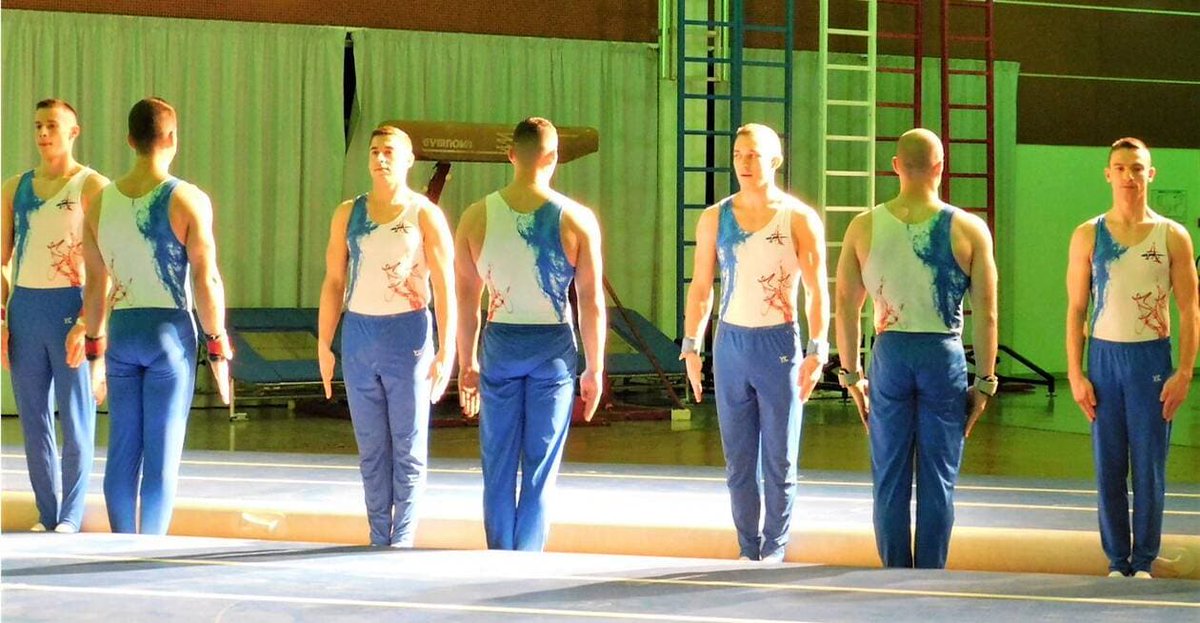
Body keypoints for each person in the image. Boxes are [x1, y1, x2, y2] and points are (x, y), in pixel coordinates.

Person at [834, 128, 998, 569]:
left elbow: (845, 309)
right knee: (937, 478)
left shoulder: (863, 226)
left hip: (890, 351)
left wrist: (852, 377)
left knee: (889, 476)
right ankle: (930, 573)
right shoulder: (968, 229)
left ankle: (894, 574)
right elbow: (986, 315)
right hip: (942, 352)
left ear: (895, 167)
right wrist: (985, 382)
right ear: (941, 167)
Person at [75, 97, 231, 534]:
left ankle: (122, 542)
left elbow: (94, 286)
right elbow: (206, 279)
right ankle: (150, 544)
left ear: (130, 140)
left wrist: (95, 354)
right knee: (162, 454)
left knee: (123, 450)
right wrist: (217, 346)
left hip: (122, 331)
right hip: (168, 332)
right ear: (173, 138)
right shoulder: (187, 199)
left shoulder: (99, 203)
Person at [680, 123, 830, 562]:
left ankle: (775, 548)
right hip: (731, 344)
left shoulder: (798, 218)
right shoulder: (715, 217)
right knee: (739, 461)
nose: (744, 163)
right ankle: (748, 548)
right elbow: (701, 286)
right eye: (738, 154)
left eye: (754, 155)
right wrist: (692, 344)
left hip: (778, 344)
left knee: (780, 460)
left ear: (775, 161)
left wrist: (818, 349)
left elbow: (817, 289)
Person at [455, 117, 605, 551]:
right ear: (554, 157)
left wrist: (467, 363)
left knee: (498, 462)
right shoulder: (576, 220)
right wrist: (594, 369)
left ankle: (500, 552)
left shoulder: (475, 217)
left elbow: (467, 302)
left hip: (501, 341)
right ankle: (527, 556)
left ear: (510, 156)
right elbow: (591, 302)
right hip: (552, 347)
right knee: (541, 466)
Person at [317, 124, 456, 547]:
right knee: (372, 448)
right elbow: (334, 281)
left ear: (409, 160)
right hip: (359, 335)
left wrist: (447, 348)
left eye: (389, 152)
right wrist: (323, 343)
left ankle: (403, 538)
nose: (380, 158)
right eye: (374, 151)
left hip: (407, 335)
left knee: (407, 446)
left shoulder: (424, 214)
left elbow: (445, 284)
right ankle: (379, 534)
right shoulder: (347, 213)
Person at [1065, 137, 1197, 579]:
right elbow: (1077, 309)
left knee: (1148, 467)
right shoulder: (1088, 234)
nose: (1129, 176)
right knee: (1109, 467)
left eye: (1137, 168)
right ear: (1108, 175)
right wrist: (1075, 373)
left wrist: (1184, 372)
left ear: (1150, 174)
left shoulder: (1172, 235)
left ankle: (1143, 561)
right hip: (1104, 360)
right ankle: (1116, 560)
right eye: (1120, 168)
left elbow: (1190, 309)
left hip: (1151, 360)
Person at [1, 98, 108, 533]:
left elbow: (105, 266)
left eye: (52, 126)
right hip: (25, 310)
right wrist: (2, 318)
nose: (43, 134)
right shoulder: (14, 188)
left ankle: (71, 514)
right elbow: (2, 261)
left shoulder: (92, 186)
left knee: (76, 417)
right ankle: (46, 513)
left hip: (70, 307)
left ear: (73, 132)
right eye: (37, 126)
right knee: (33, 420)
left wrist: (89, 323)